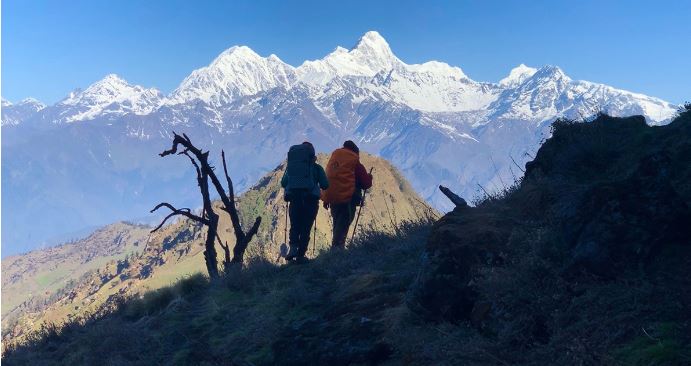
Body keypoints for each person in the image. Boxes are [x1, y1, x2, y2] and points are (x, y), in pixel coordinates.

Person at [281, 141, 329, 263]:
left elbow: (283, 183)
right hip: (311, 201)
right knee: (306, 228)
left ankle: (292, 248)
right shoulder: (317, 168)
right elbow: (325, 185)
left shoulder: (292, 169)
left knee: (295, 226)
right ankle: (301, 255)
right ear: (312, 156)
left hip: (295, 200)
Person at [321, 140, 373, 249]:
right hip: (348, 199)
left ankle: (335, 249)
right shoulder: (355, 163)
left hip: (333, 198)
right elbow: (366, 183)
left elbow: (329, 178)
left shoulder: (334, 160)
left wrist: (326, 198)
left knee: (337, 224)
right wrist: (369, 177)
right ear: (355, 152)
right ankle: (337, 251)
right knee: (343, 224)